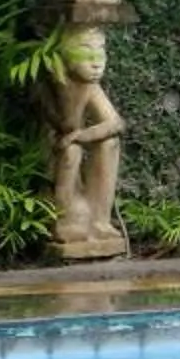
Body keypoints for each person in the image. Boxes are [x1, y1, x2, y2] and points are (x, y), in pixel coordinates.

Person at [47, 31, 126, 247]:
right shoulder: (50, 81)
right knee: (72, 151)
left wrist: (80, 135)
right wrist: (70, 138)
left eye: (100, 55)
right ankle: (63, 221)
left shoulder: (90, 87)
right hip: (47, 151)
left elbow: (115, 123)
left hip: (71, 141)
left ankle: (100, 220)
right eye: (86, 55)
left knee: (110, 143)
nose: (96, 64)